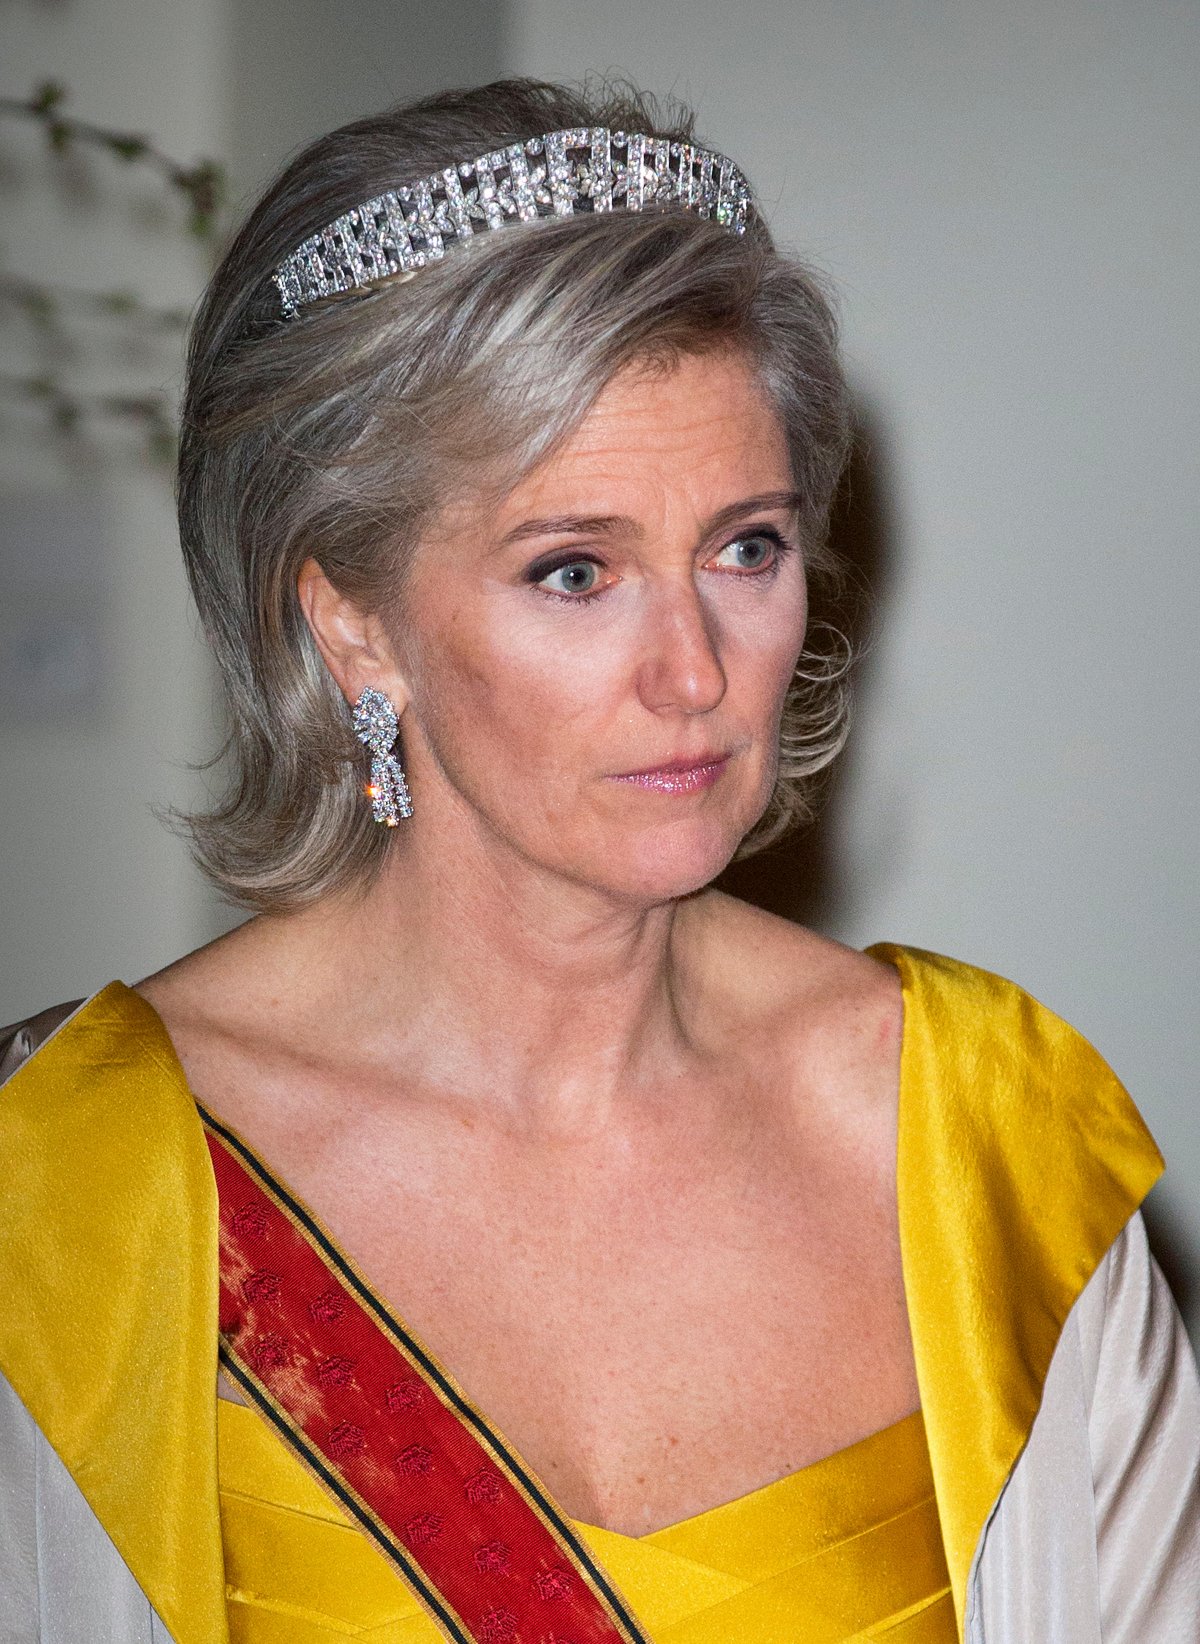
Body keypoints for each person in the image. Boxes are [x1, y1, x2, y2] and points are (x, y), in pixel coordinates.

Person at [0, 78, 1196, 1644]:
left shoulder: (989, 1148)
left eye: (746, 548)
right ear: (352, 622)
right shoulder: (63, 1193)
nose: (696, 670)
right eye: (576, 571)